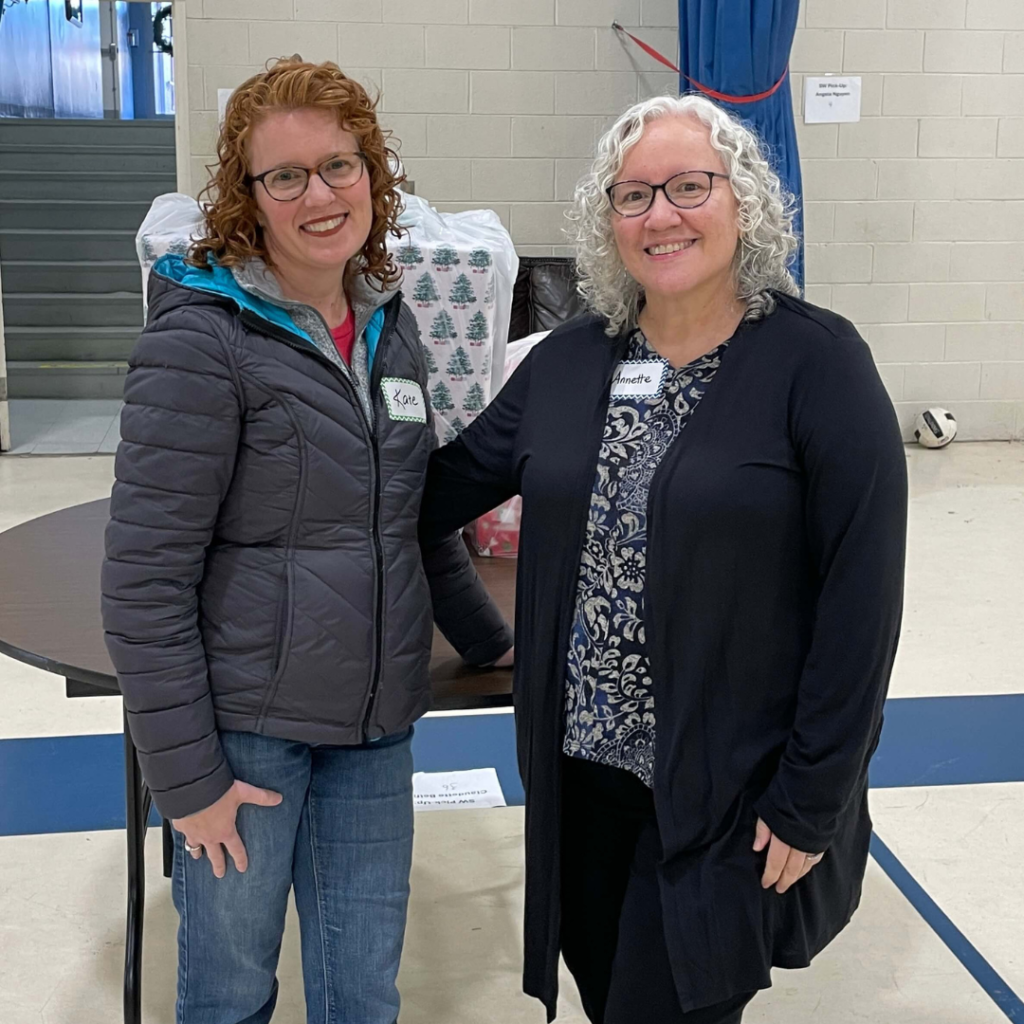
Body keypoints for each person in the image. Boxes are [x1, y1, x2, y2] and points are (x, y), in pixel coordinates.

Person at [420, 93, 907, 1024]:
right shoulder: (567, 364)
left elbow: (862, 602)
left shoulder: (818, 364)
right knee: (609, 992)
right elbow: (428, 494)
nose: (662, 214)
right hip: (578, 780)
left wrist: (814, 797)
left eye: (690, 186)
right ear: (608, 223)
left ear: (744, 202)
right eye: (633, 195)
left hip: (727, 793)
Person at [101, 58, 511, 1024]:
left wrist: (492, 647)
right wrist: (188, 779)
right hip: (249, 735)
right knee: (232, 991)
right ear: (247, 199)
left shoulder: (385, 324)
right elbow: (144, 584)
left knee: (362, 990)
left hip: (373, 726)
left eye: (339, 165)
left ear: (373, 171)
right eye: (285, 176)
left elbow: (411, 515)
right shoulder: (200, 340)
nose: (319, 194)